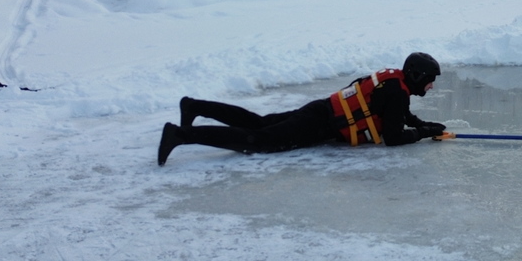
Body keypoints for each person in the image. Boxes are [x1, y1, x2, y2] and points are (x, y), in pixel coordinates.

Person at [157, 52, 445, 166]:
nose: (431, 86)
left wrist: (421, 124)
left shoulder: (393, 82)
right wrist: (420, 133)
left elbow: (396, 113)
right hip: (320, 124)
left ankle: (193, 106)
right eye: (430, 80)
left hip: (320, 110)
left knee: (260, 122)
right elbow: (393, 137)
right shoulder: (397, 94)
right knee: (260, 140)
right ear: (417, 76)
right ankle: (180, 135)